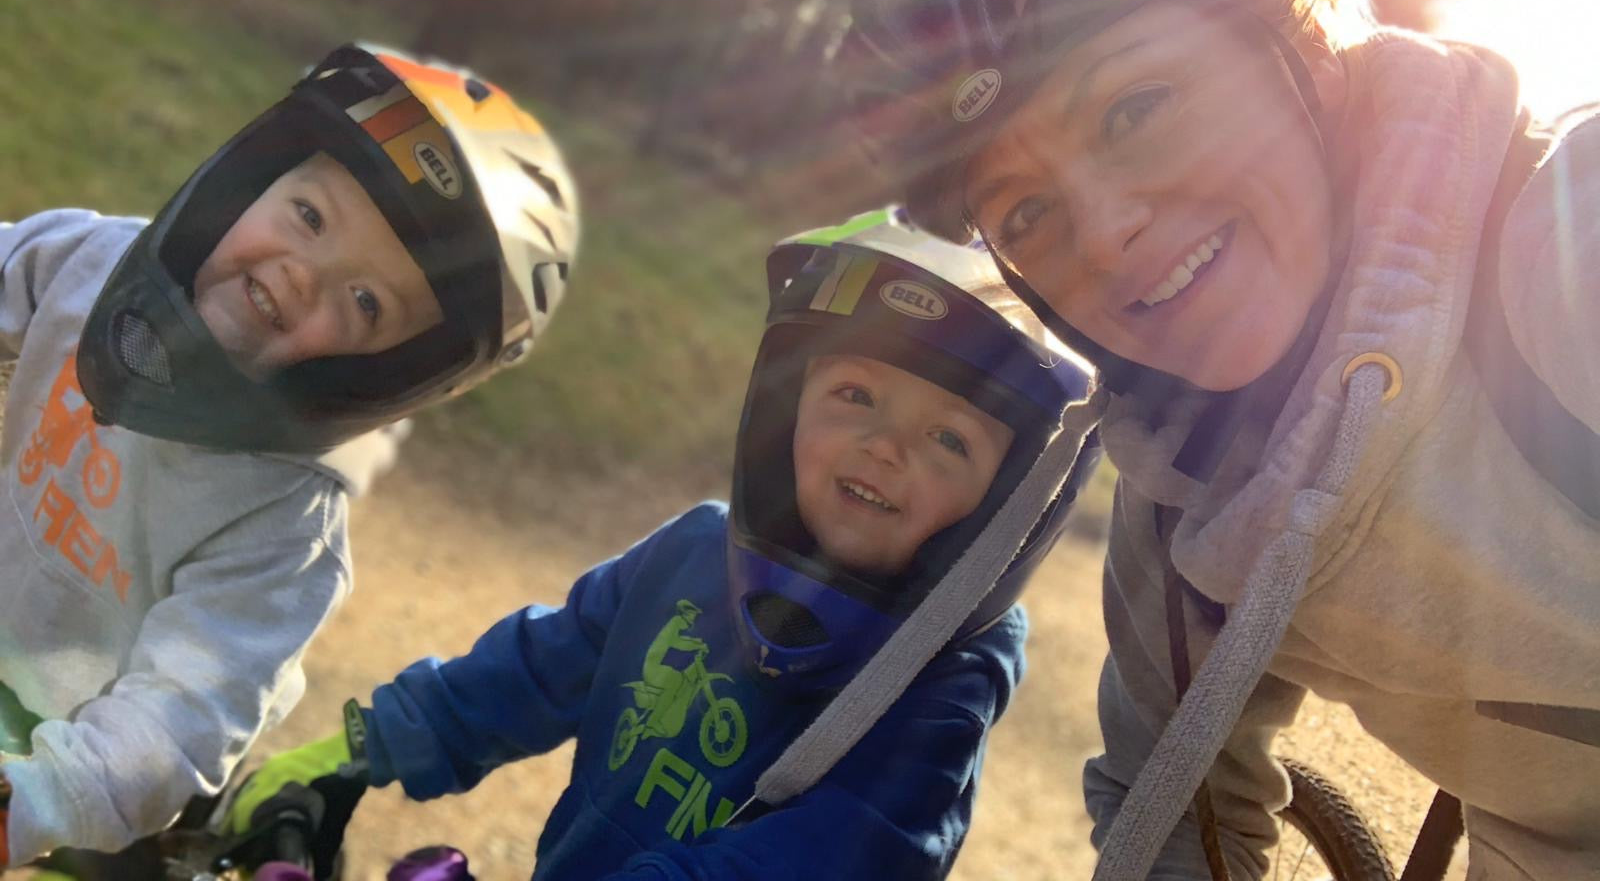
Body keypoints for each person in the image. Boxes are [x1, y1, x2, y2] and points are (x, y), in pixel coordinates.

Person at [837, 0, 1600, 879]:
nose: (1103, 236)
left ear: (1301, 52)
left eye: (1134, 107)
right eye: (1024, 215)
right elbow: (1169, 804)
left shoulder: (1566, 251)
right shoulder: (1182, 518)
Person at [224, 209, 1092, 881]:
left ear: (1005, 505)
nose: (886, 447)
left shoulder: (945, 675)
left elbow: (858, 848)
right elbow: (535, 668)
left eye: (951, 441)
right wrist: (366, 744)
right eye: (857, 395)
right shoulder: (691, 555)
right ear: (781, 411)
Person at [0, 43, 580, 876]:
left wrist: (30, 803)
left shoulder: (284, 525)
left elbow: (174, 724)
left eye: (367, 302)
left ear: (390, 375)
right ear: (248, 178)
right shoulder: (86, 264)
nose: (303, 277)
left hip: (94, 788)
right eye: (309, 217)